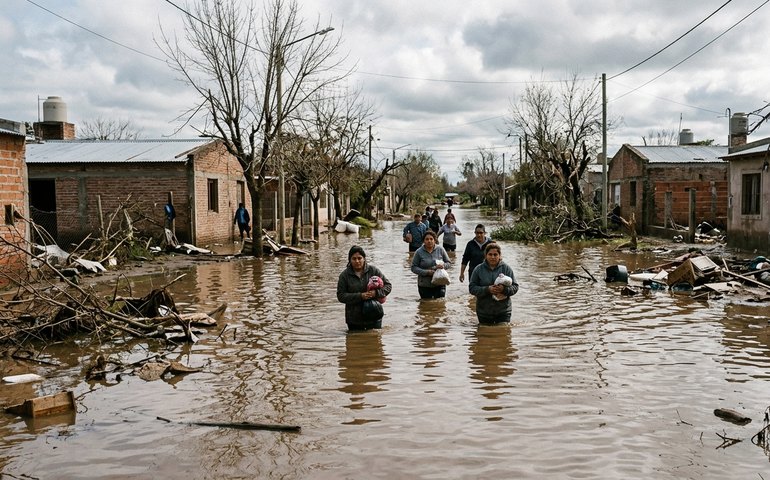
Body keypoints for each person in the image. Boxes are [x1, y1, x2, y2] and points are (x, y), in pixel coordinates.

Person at [337, 246, 392, 331]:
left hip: (374, 315)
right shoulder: (344, 276)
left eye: (359, 258)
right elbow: (341, 296)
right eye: (354, 259)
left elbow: (388, 286)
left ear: (364, 259)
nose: (357, 261)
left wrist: (375, 293)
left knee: (375, 338)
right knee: (354, 339)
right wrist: (360, 296)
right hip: (354, 319)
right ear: (349, 260)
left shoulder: (373, 271)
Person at [469, 243, 519, 324]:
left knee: (503, 330)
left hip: (503, 311)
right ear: (486, 255)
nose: (493, 257)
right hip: (483, 311)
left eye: (495, 254)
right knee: (484, 331)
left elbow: (515, 287)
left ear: (499, 256)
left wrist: (504, 289)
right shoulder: (478, 269)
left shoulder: (506, 268)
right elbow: (472, 288)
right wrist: (487, 289)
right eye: (490, 254)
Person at [411, 230, 451, 299]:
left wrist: (443, 266)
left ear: (435, 240)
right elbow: (413, 267)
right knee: (426, 304)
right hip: (424, 284)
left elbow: (449, 263)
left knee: (440, 303)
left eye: (431, 239)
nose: (429, 241)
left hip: (440, 282)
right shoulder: (419, 252)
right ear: (423, 241)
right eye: (427, 239)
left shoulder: (440, 249)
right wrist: (426, 272)